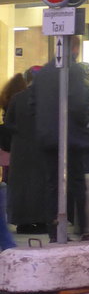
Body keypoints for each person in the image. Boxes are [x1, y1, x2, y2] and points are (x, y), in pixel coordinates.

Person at [35, 38, 89, 238]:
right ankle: (84, 227)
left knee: (52, 184)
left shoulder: (43, 72)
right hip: (69, 136)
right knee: (77, 182)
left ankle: (54, 231)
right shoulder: (72, 70)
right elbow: (77, 103)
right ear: (74, 48)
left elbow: (32, 103)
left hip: (47, 137)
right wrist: (88, 121)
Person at [0, 71, 27, 250]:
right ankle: (10, 248)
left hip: (5, 147)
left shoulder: (7, 99)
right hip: (15, 147)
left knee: (7, 178)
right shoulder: (22, 100)